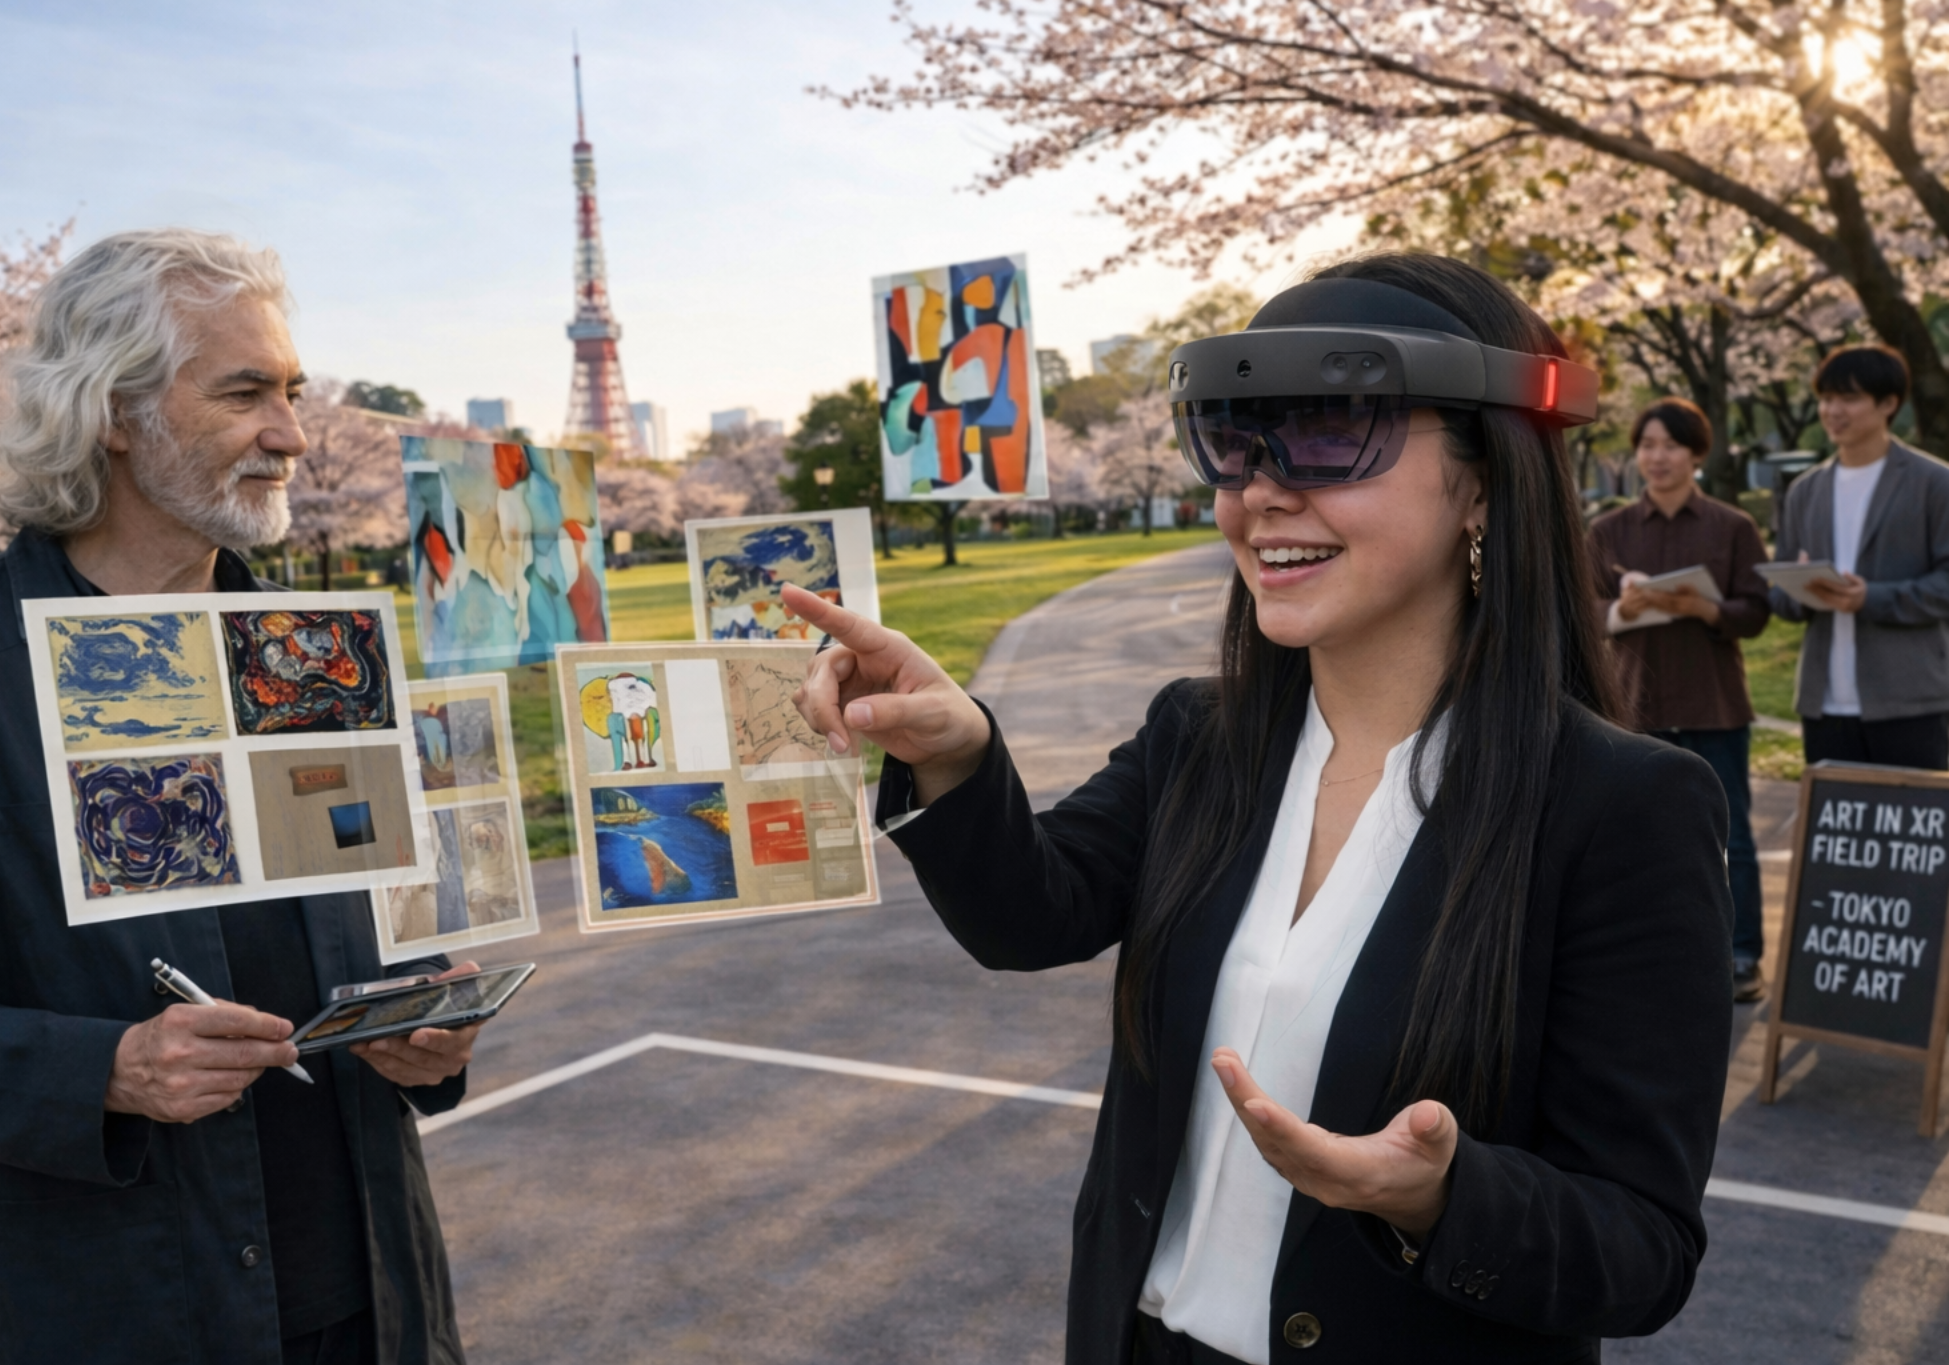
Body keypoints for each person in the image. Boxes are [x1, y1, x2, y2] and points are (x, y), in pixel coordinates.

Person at [790, 254, 1733, 1363]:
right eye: (1234, 443)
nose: (1262, 492)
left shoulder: (1623, 807)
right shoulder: (1200, 737)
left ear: (1482, 482)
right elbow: (1029, 915)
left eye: (1332, 434)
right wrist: (957, 756)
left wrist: (1439, 1198)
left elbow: (1640, 1246)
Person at [0, 230, 479, 1365]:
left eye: (292, 393)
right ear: (114, 410)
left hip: (375, 1304)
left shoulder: (311, 650)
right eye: (245, 393)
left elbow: (385, 916)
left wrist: (429, 1020)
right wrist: (104, 1072)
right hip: (108, 1316)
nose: (292, 434)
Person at [1588, 398, 1772, 1002]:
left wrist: (1705, 610)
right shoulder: (1607, 532)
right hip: (1632, 710)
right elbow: (1578, 609)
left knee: (1731, 838)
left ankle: (1743, 955)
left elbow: (1757, 611)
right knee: (1637, 841)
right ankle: (1650, 958)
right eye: (1647, 445)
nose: (1657, 457)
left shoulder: (1732, 526)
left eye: (1671, 445)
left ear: (1697, 453)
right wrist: (1622, 610)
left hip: (1713, 706)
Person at [1771, 345, 1949, 770]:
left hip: (1909, 699)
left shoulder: (1934, 483)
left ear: (1888, 403)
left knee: (1911, 814)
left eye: (1849, 398)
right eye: (1826, 398)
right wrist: (1801, 591)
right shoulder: (1804, 491)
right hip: (1822, 702)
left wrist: (1870, 598)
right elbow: (1779, 595)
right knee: (1831, 813)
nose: (1833, 411)